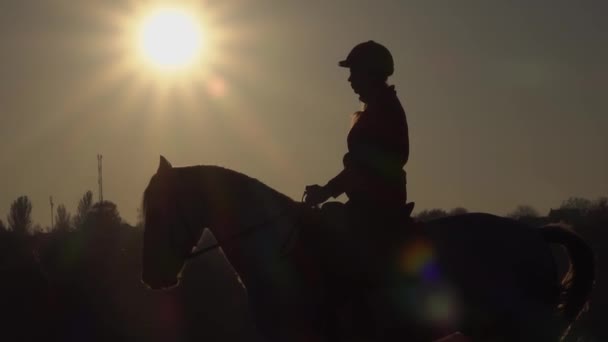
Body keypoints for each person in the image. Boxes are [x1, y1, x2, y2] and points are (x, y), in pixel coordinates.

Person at [305, 40, 409, 222]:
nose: (350, 79)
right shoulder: (380, 106)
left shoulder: (383, 110)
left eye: (354, 72)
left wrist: (326, 191)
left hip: (376, 206)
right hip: (371, 202)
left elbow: (364, 167)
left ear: (369, 73)